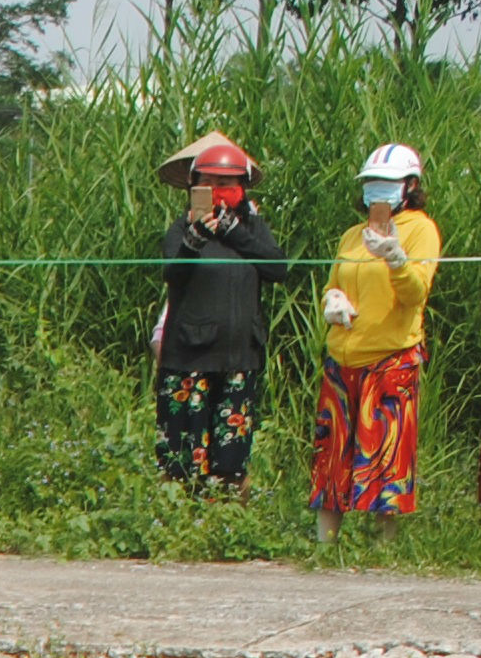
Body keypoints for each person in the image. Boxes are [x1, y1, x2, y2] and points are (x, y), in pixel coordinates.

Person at [153, 132, 287, 496]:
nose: (217, 190)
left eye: (226, 183)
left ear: (242, 188)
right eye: (208, 183)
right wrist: (194, 241)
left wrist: (234, 233)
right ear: (194, 187)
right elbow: (172, 273)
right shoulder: (182, 229)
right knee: (181, 452)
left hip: (240, 355)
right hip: (189, 356)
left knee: (232, 451)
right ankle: (179, 518)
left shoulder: (254, 229)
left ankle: (228, 520)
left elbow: (278, 269)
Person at [315, 142, 438, 539]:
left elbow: (416, 294)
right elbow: (333, 283)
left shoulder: (420, 229)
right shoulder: (353, 235)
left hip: (390, 358)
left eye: (386, 184)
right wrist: (332, 301)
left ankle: (386, 548)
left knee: (387, 455)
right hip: (343, 357)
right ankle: (324, 544)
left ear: (409, 185)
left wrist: (397, 260)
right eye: (371, 183)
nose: (376, 192)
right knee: (333, 453)